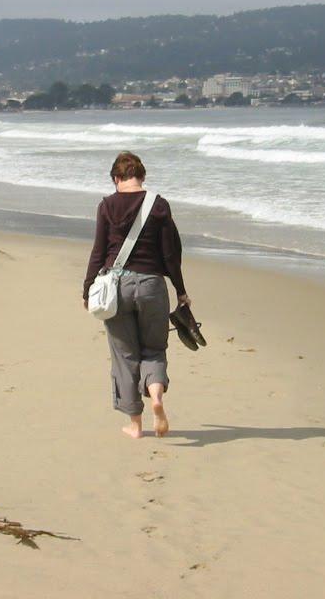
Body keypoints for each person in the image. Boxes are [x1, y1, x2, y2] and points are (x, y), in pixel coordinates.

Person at [82, 151, 189, 439]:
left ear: (117, 178)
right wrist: (180, 290)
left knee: (125, 355)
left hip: (116, 288)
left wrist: (87, 288)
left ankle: (135, 425)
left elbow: (98, 251)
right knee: (154, 349)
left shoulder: (107, 205)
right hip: (153, 284)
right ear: (141, 176)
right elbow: (171, 252)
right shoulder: (159, 205)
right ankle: (156, 397)